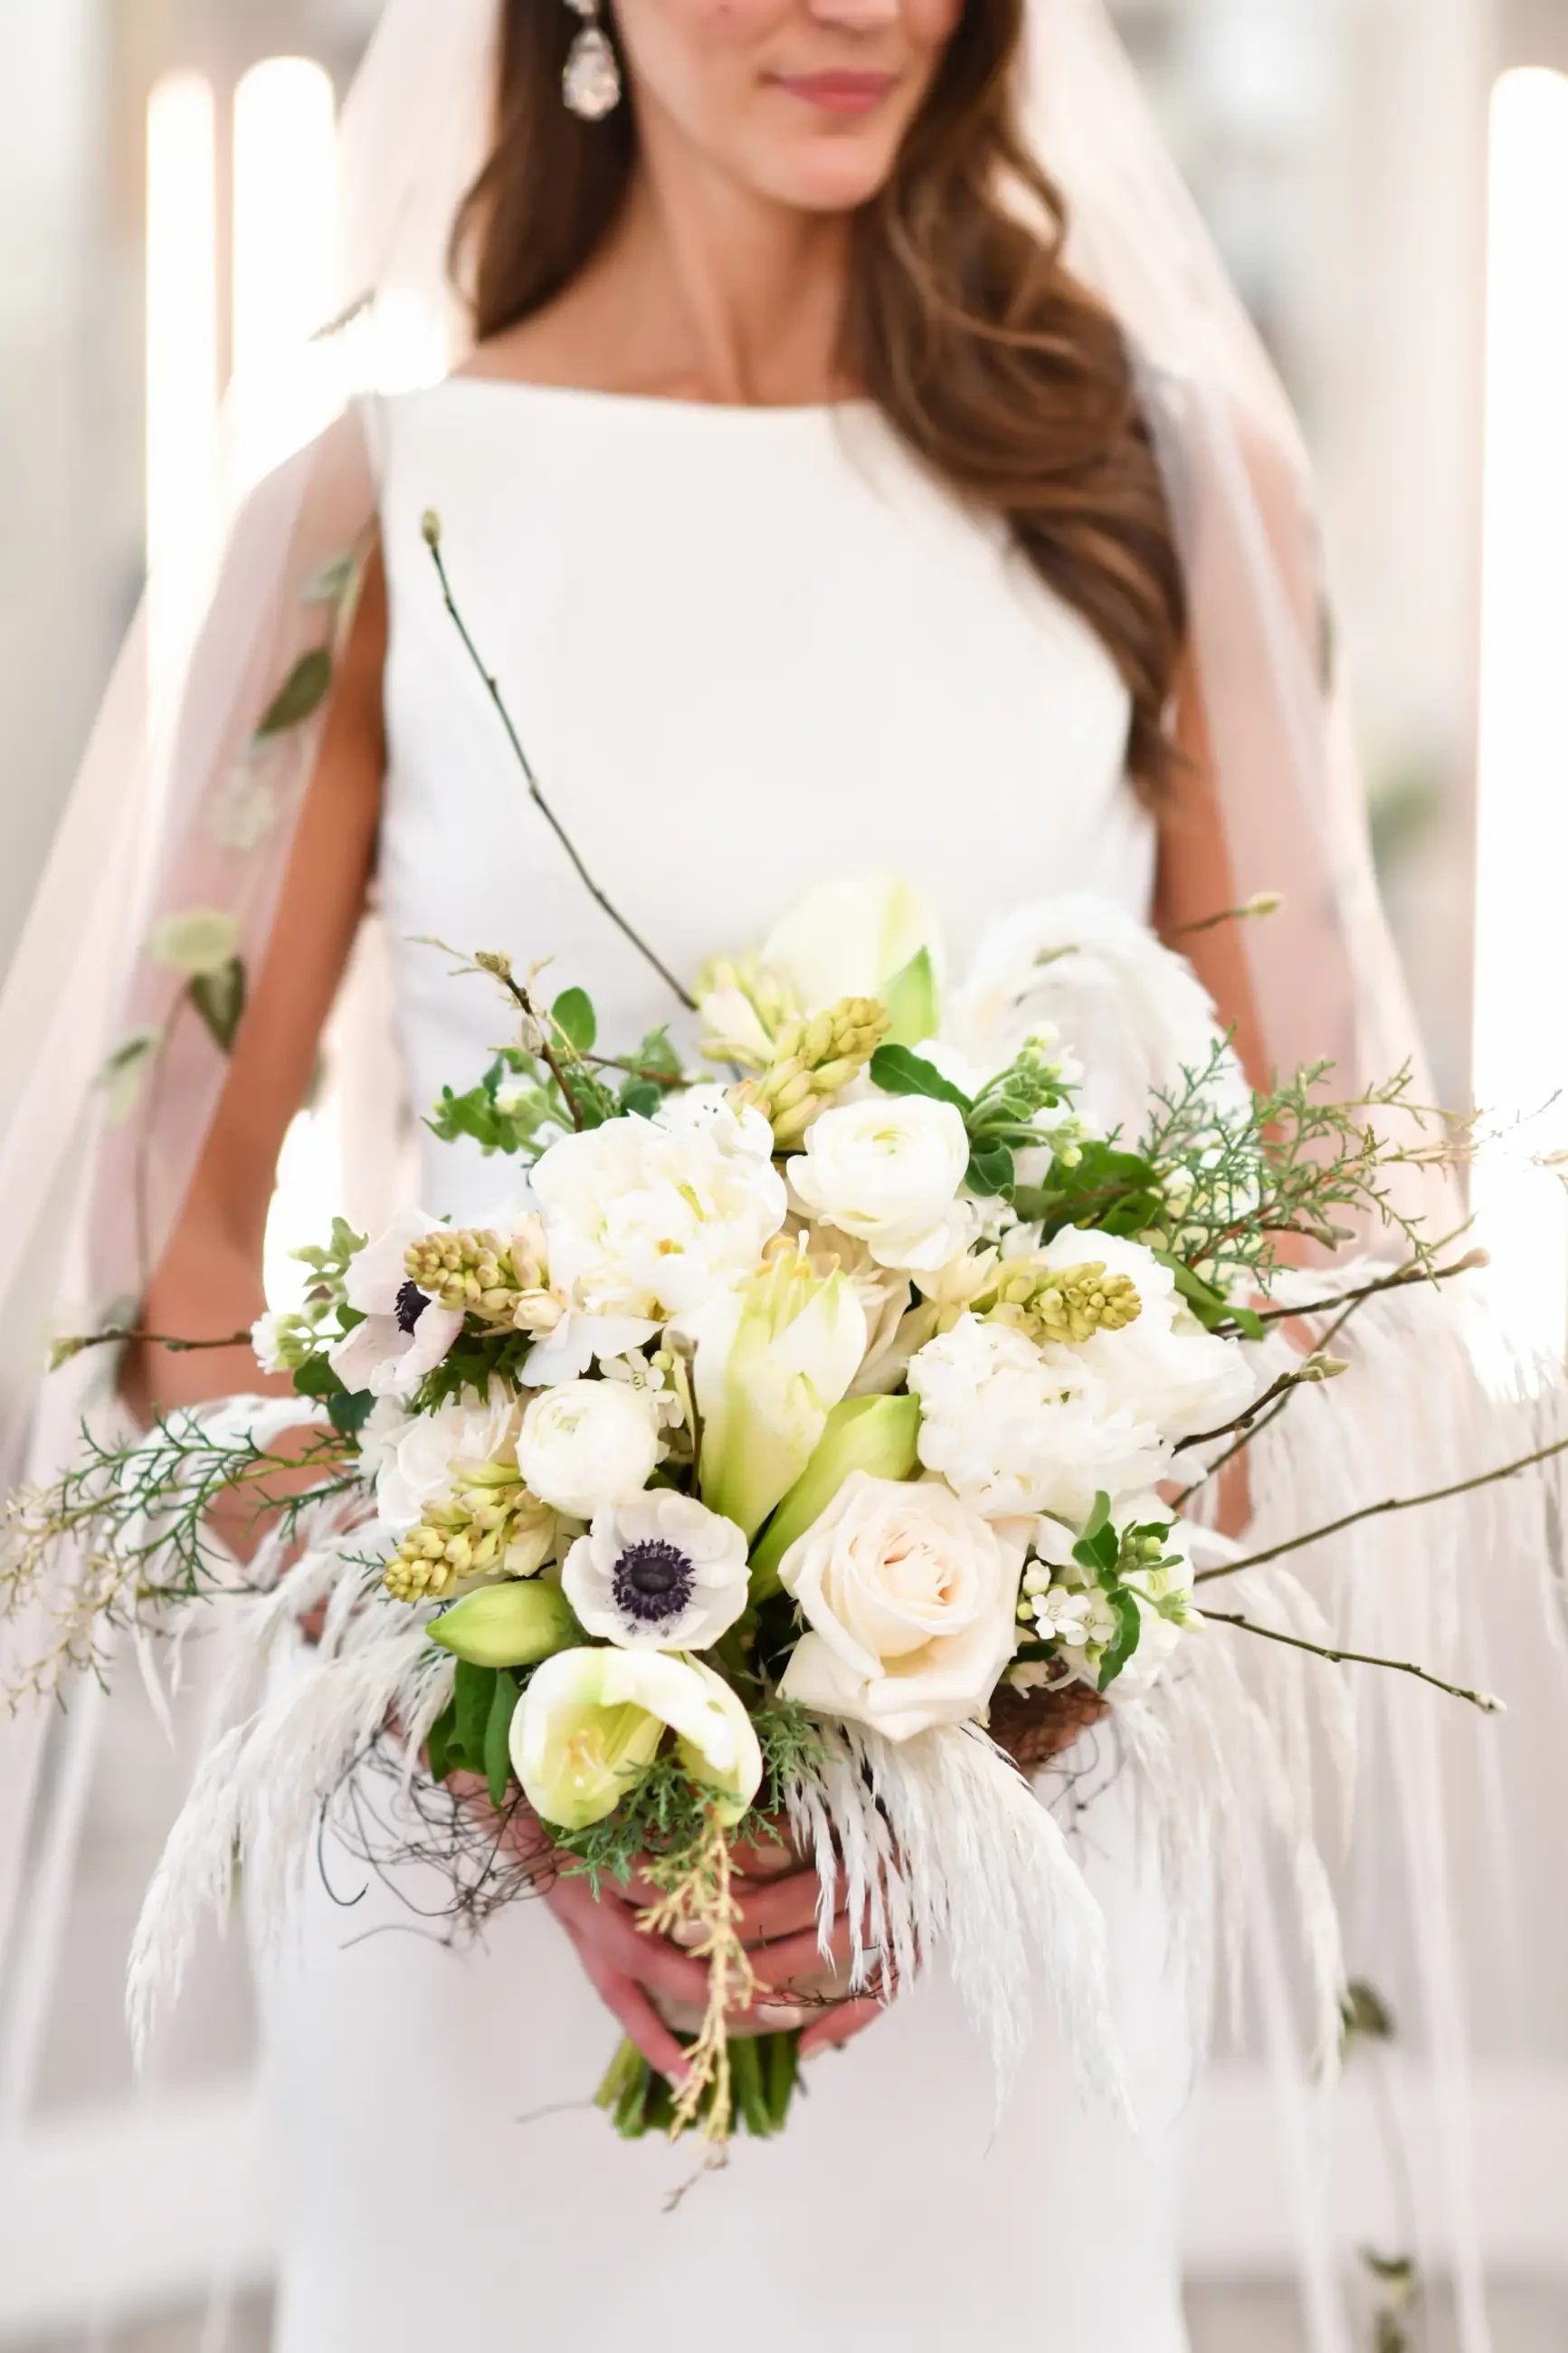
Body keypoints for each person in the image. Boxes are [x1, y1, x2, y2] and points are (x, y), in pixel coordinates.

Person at [4, 1, 1538, 2348]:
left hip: (1008, 1860)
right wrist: (514, 1750)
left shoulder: (1152, 473)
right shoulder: (370, 500)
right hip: (481, 1867)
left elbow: (1329, 1205)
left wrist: (993, 1707)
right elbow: (165, 1267)